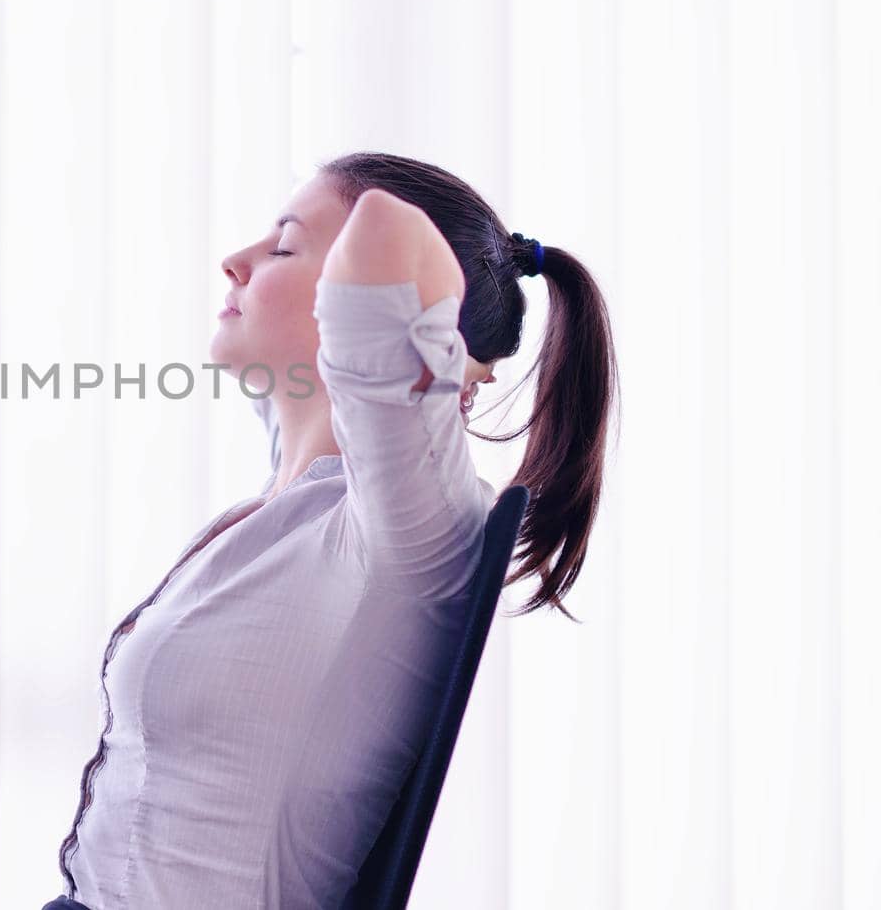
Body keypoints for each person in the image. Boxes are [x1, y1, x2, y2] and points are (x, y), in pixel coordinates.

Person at [46, 151, 618, 909]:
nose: (235, 262)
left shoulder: (411, 525)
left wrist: (433, 322)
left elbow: (383, 228)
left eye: (284, 245)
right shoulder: (291, 502)